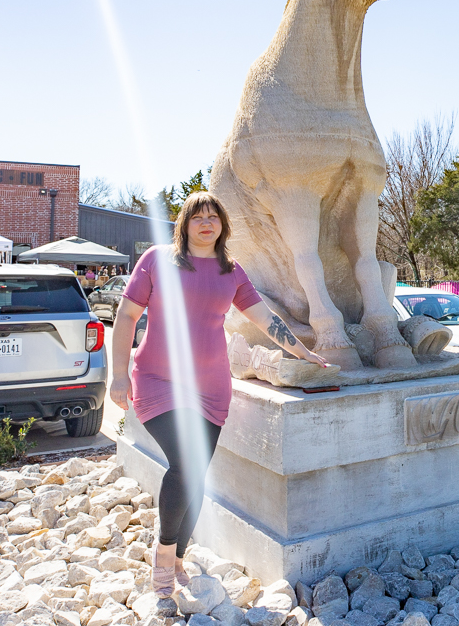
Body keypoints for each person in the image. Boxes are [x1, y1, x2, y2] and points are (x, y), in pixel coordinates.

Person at [108, 191, 328, 597]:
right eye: (197, 217)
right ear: (185, 225)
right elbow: (126, 317)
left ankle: (177, 557)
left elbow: (266, 320)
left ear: (223, 225)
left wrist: (304, 351)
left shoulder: (232, 271)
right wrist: (118, 375)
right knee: (186, 464)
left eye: (213, 216)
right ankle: (163, 553)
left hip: (210, 387)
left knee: (195, 475)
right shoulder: (157, 260)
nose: (206, 223)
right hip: (157, 379)